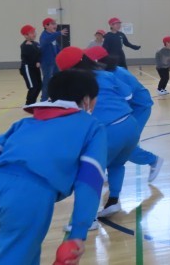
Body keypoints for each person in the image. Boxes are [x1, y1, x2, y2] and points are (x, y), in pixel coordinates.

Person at [0, 69, 106, 265]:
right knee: (16, 255)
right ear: (86, 100)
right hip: (27, 197)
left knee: (22, 254)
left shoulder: (26, 122)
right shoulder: (92, 126)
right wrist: (78, 231)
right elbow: (90, 179)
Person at [55, 47, 139, 218]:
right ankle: (113, 201)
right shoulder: (106, 74)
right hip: (130, 125)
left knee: (89, 174)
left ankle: (89, 219)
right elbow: (129, 95)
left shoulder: (75, 84)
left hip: (109, 130)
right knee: (117, 164)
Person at [85, 47, 162, 183]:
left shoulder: (117, 74)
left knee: (125, 146)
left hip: (139, 109)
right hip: (128, 109)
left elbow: (126, 96)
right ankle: (105, 171)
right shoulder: (105, 73)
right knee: (110, 142)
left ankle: (154, 160)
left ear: (97, 62)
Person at [39, 17, 69, 101]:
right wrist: (59, 33)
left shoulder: (53, 36)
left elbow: (56, 48)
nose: (55, 25)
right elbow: (47, 40)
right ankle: (44, 99)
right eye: (52, 24)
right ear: (46, 26)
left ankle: (56, 97)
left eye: (55, 24)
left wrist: (63, 54)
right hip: (47, 63)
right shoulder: (44, 35)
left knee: (57, 79)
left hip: (55, 62)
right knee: (47, 80)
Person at [19, 24, 42, 105]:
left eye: (34, 32)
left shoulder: (36, 43)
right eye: (31, 33)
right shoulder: (24, 45)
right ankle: (29, 104)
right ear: (25, 35)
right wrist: (37, 61)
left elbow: (39, 54)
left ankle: (33, 103)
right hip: (27, 68)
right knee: (33, 87)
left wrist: (39, 61)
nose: (34, 34)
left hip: (35, 68)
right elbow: (33, 55)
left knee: (39, 86)